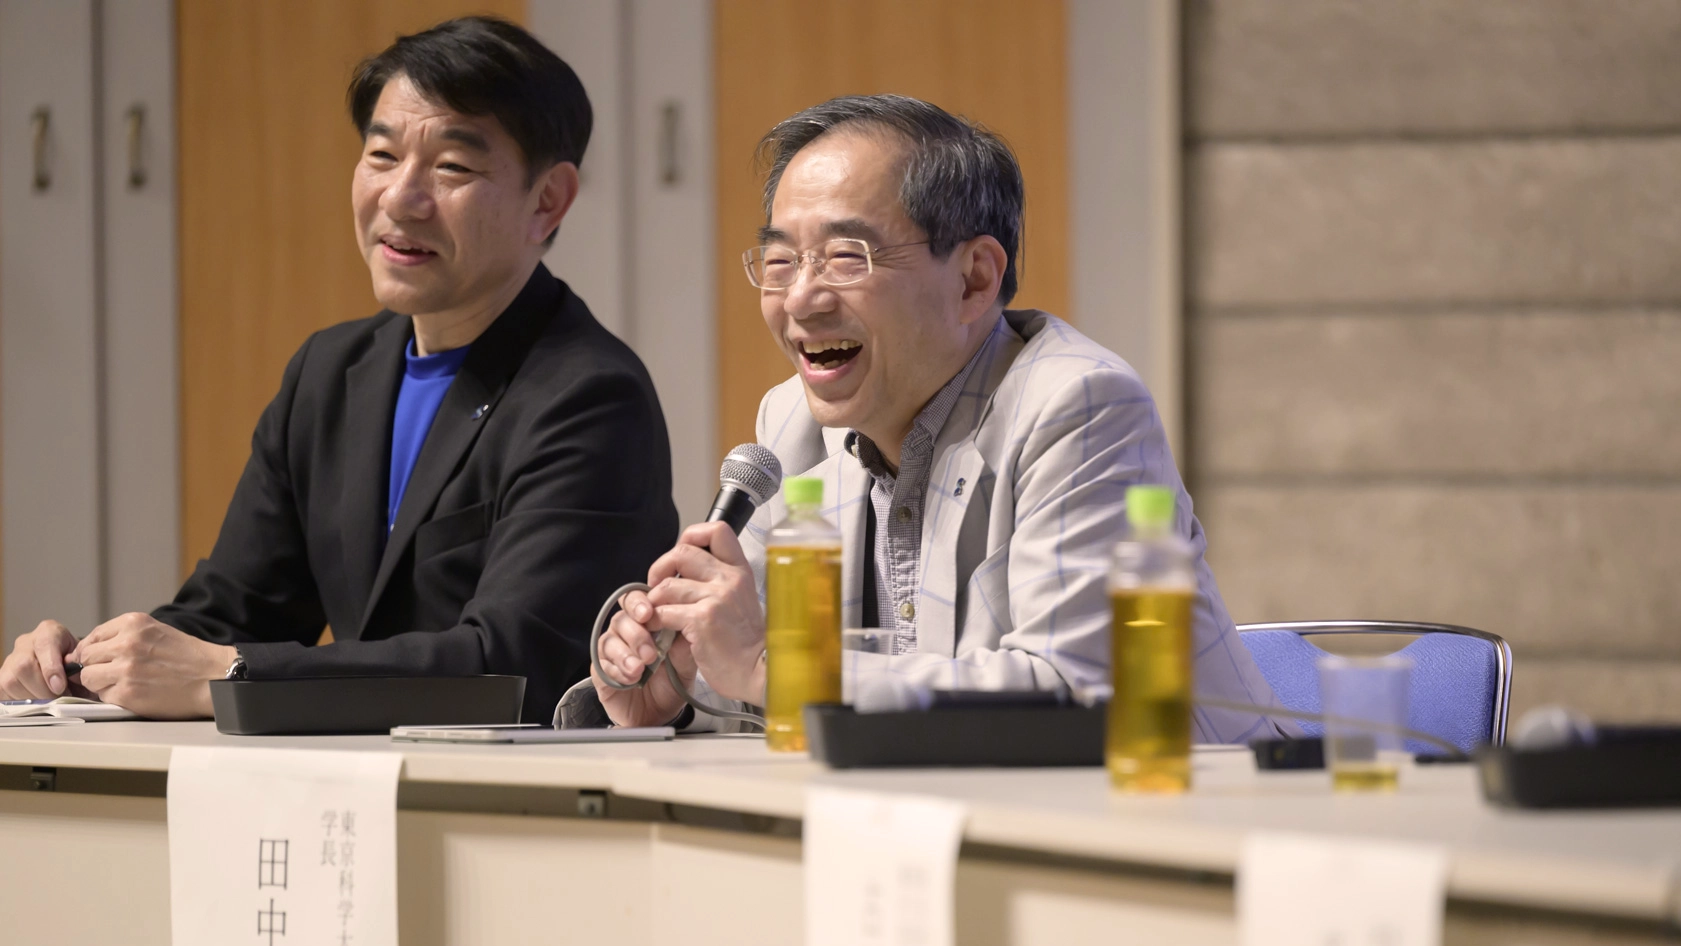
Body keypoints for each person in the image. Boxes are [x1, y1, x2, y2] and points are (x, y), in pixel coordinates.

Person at [0, 17, 678, 722]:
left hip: (511, 782)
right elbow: (234, 611)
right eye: (382, 156)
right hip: (352, 773)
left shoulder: (589, 396)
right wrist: (82, 667)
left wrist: (230, 674)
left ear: (548, 200)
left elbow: (511, 662)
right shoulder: (330, 373)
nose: (400, 198)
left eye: (451, 167)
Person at [565, 94, 1290, 742]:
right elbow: (768, 683)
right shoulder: (792, 423)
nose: (800, 300)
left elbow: (1076, 696)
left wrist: (769, 665)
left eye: (845, 257)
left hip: (1183, 819)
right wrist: (684, 687)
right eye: (781, 263)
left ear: (974, 278)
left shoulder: (1079, 407)